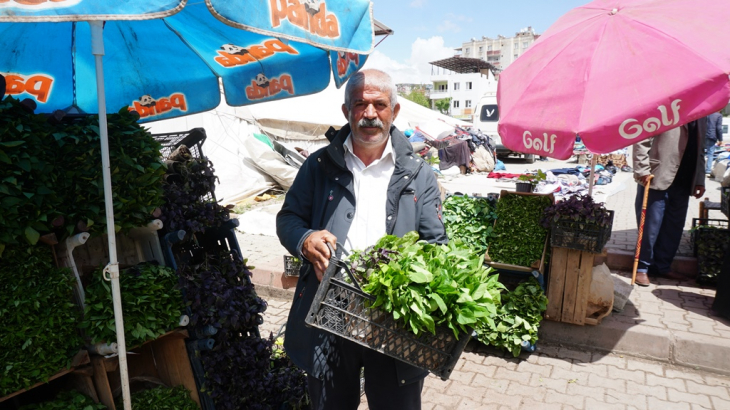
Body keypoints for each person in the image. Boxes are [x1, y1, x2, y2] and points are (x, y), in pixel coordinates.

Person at [276, 69, 447, 410]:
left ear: (394, 112)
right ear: (346, 112)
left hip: (395, 319)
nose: (370, 114)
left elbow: (435, 242)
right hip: (331, 312)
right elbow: (288, 219)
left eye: (379, 105)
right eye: (360, 104)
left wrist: (416, 274)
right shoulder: (319, 165)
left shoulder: (418, 171)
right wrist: (306, 239)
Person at [632, 119, 707, 286]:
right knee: (650, 226)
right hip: (658, 174)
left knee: (674, 227)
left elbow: (701, 148)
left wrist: (700, 179)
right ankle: (642, 268)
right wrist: (641, 169)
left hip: (684, 180)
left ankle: (663, 266)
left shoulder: (703, 114)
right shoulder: (666, 106)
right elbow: (642, 138)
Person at [705, 110, 723, 175]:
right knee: (710, 154)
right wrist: (720, 139)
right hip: (711, 136)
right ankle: (708, 171)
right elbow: (719, 128)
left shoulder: (705, 114)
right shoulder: (718, 115)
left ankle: (698, 170)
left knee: (701, 153)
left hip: (703, 135)